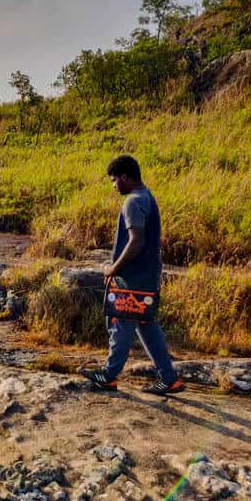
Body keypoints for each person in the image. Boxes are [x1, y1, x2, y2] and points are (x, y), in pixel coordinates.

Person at [81, 155, 184, 395]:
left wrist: (113, 268)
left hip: (132, 278)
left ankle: (108, 375)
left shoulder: (132, 202)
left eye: (114, 180)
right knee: (146, 325)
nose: (113, 185)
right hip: (148, 275)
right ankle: (168, 378)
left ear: (125, 177)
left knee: (120, 322)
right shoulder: (146, 196)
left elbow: (136, 242)